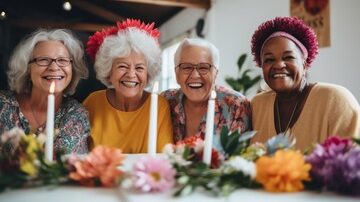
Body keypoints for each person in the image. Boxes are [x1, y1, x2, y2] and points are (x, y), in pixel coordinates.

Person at [250, 16, 360, 151]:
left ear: (305, 63)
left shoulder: (336, 100)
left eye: (288, 57)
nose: (278, 64)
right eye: (269, 59)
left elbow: (351, 165)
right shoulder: (257, 105)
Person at [83, 19, 173, 153]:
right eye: (122, 66)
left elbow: (164, 157)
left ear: (148, 74)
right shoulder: (92, 102)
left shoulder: (159, 105)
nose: (131, 74)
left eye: (139, 68)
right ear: (109, 71)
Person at [0, 28, 90, 154]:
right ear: (27, 68)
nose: (54, 67)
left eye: (63, 60)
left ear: (72, 69)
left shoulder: (75, 114)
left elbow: (59, 164)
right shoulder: (3, 105)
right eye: (43, 60)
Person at [161, 38, 252, 143]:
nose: (195, 75)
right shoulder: (165, 101)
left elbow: (240, 157)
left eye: (203, 67)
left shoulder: (236, 105)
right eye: (186, 67)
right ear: (177, 74)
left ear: (215, 74)